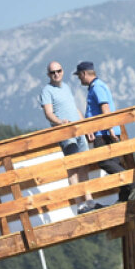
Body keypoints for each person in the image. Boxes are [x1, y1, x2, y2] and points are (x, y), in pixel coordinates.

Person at [73, 62, 135, 206]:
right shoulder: (96, 86)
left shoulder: (97, 87)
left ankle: (132, 182)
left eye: (79, 75)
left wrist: (109, 128)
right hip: (104, 131)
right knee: (114, 163)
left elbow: (105, 107)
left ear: (84, 73)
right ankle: (124, 196)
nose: (79, 79)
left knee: (104, 161)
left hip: (103, 133)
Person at [39, 61, 92, 213]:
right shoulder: (47, 91)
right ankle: (79, 204)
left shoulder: (67, 87)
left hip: (78, 130)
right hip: (65, 133)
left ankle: (89, 200)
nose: (56, 74)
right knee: (73, 168)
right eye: (52, 72)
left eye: (58, 71)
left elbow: (73, 108)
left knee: (84, 165)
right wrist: (60, 122)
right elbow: (48, 113)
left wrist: (85, 125)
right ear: (48, 75)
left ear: (62, 71)